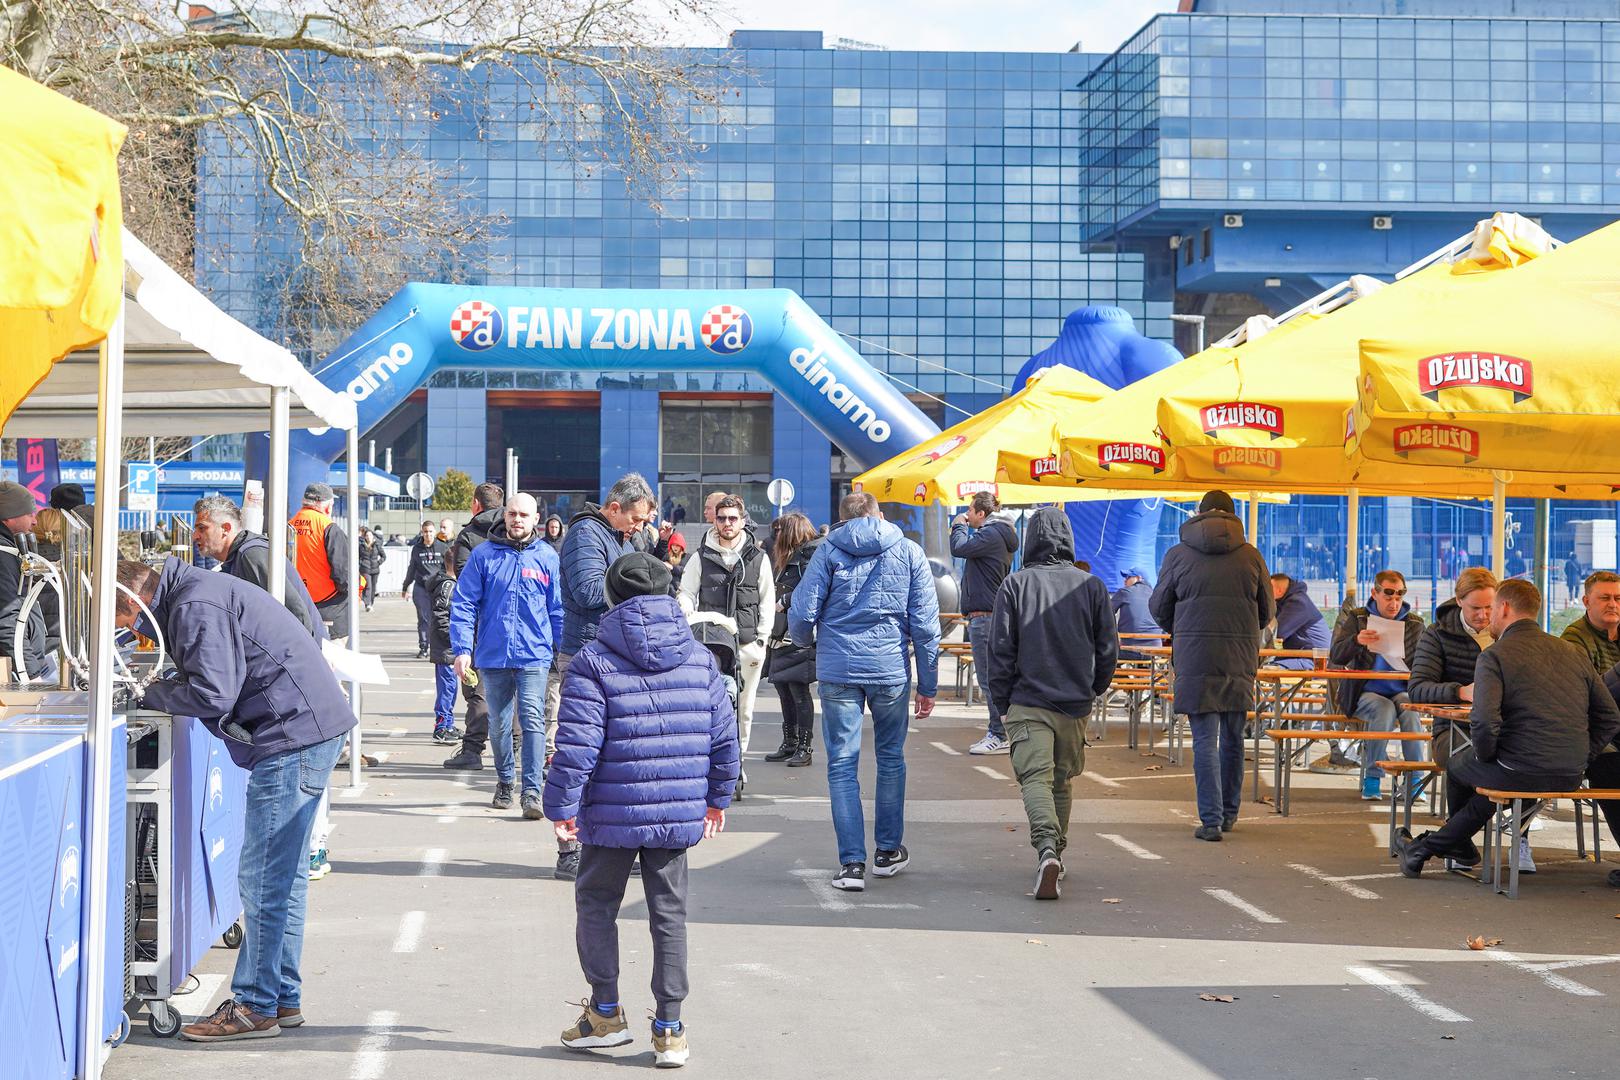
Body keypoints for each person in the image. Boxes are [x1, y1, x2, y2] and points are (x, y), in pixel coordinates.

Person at [115, 558, 354, 1042]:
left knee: (264, 878)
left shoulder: (193, 605)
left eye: (124, 620)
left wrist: (151, 693)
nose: (132, 631)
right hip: (305, 728)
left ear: (134, 600)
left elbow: (213, 693)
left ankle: (254, 1007)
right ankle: (280, 998)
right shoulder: (195, 593)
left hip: (293, 735)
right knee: (282, 881)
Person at [544, 552, 737, 1067]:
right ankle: (670, 1028)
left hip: (610, 813)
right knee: (669, 914)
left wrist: (560, 807)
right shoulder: (701, 659)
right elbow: (725, 738)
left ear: (611, 598)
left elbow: (577, 746)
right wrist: (717, 798)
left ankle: (605, 1013)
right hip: (677, 812)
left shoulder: (592, 661)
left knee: (596, 903)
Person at [1398, 579, 1620, 877]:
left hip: (1518, 766)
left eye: (1491, 608)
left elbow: (1485, 721)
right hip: (1570, 773)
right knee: (1492, 785)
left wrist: (1487, 756)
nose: (1486, 616)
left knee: (1460, 766)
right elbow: (1609, 716)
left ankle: (1451, 847)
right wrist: (1585, 756)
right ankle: (1425, 849)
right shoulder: (1571, 651)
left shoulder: (1496, 655)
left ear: (1503, 607)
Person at [788, 491, 940, 892]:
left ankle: (851, 864)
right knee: (890, 758)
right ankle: (888, 852)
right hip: (890, 669)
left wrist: (806, 642)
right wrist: (928, 683)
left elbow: (803, 613)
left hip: (838, 668)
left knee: (841, 764)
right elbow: (926, 626)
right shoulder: (909, 552)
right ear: (880, 514)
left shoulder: (827, 551)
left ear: (841, 518)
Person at [986, 507, 1117, 899]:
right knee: (1061, 781)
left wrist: (1001, 700)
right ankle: (1056, 854)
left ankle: (1046, 849)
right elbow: (1108, 647)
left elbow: (1000, 650)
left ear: (1030, 540)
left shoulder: (1014, 585)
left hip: (1027, 700)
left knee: (1034, 779)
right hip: (1074, 702)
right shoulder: (1091, 586)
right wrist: (1093, 687)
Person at [1150, 490, 1273, 842]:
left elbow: (1159, 606)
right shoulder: (1251, 556)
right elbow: (1266, 611)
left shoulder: (1178, 554)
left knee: (1204, 739)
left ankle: (1211, 821)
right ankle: (1231, 814)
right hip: (1238, 654)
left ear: (1199, 514)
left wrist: (1183, 626)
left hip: (1195, 654)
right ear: (1234, 516)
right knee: (1234, 737)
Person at [550, 475, 657, 822]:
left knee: (617, 756)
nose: (639, 527)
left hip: (614, 654)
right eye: (636, 519)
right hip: (586, 655)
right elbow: (590, 592)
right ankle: (572, 848)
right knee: (582, 755)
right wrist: (641, 594)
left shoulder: (621, 538)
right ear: (614, 508)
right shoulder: (586, 534)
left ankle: (610, 842)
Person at [450, 493, 564, 823]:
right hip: (493, 654)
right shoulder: (484, 555)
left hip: (534, 654)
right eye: (512, 513)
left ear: (535, 519)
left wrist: (563, 651)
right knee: (498, 726)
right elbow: (464, 603)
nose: (517, 519)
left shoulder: (546, 557)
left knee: (531, 719)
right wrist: (462, 650)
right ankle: (504, 781)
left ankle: (531, 791)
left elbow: (556, 608)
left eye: (524, 515)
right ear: (505, 515)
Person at [678, 494, 774, 765]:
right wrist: (687, 610)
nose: (727, 523)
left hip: (746, 643)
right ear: (715, 521)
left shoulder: (758, 557)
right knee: (708, 705)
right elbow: (686, 591)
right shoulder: (701, 556)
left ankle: (737, 763)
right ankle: (710, 764)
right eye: (722, 518)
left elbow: (767, 598)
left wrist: (762, 640)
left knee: (744, 709)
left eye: (733, 518)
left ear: (742, 521)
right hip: (711, 643)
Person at [1329, 570, 1425, 801]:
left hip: (1401, 689)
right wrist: (1356, 640)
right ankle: (1372, 777)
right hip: (1363, 691)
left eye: (1399, 595)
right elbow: (1337, 656)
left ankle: (1415, 777)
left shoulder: (1414, 623)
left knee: (1409, 709)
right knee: (1384, 709)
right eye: (1388, 595)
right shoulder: (1358, 618)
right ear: (1375, 592)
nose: (1394, 602)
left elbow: (1424, 663)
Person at [195, 496, 324, 640]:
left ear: (226, 529)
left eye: (202, 528)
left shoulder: (251, 554)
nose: (195, 536)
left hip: (303, 653)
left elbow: (296, 611)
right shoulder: (237, 558)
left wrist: (301, 657)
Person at [950, 491, 1019, 756]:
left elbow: (958, 548)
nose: (967, 514)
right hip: (988, 615)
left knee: (990, 679)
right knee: (994, 678)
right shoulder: (998, 535)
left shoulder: (990, 535)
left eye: (970, 510)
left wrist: (958, 525)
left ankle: (998, 734)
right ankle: (1001, 731)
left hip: (985, 617)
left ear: (981, 513)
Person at [1408, 568, 1498, 768]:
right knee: (1473, 759)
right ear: (1458, 601)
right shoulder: (1437, 634)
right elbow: (1417, 689)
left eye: (1489, 607)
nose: (1483, 615)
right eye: (1475, 608)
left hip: (1503, 728)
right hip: (1451, 730)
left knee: (1527, 756)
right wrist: (1460, 691)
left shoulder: (1508, 631)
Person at [442, 483, 503, 770]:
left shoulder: (469, 535)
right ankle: (513, 747)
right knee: (513, 684)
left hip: (479, 621)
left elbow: (465, 579)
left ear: (476, 504)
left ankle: (472, 750)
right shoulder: (515, 530)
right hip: (511, 621)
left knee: (476, 687)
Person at [765, 512, 820, 767]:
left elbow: (810, 593)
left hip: (797, 634)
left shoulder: (807, 558)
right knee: (784, 688)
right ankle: (790, 742)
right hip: (782, 633)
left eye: (780, 530)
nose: (776, 535)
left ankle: (804, 747)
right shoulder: (793, 558)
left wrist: (785, 602)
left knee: (798, 690)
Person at [0, 480, 55, 684]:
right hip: (15, 672)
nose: (34, 521)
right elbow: (7, 621)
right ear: (9, 516)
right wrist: (31, 674)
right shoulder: (3, 557)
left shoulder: (8, 551)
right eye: (30, 514)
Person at [289, 482, 353, 642]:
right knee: (333, 660)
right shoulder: (328, 527)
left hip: (297, 602)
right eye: (332, 504)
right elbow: (343, 573)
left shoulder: (289, 525)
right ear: (325, 506)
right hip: (330, 606)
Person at [428, 545, 463, 745]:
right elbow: (441, 614)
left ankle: (448, 723)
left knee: (451, 686)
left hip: (447, 646)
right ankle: (441, 727)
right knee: (447, 687)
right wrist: (452, 638)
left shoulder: (449, 583)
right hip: (446, 646)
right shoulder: (448, 585)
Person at [402, 519, 448, 659]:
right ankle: (423, 647)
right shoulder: (417, 549)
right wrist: (405, 586)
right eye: (425, 532)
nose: (428, 535)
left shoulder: (442, 547)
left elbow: (447, 567)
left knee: (437, 618)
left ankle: (437, 646)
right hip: (421, 588)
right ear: (422, 533)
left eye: (430, 532)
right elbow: (412, 568)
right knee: (423, 619)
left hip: (438, 588)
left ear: (435, 532)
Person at [1561, 570, 1620, 673]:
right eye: (1605, 598)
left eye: (1618, 598)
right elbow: (1584, 687)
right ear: (1586, 602)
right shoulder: (1574, 638)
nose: (1612, 604)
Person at [1111, 567, 1162, 660]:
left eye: (1128, 577)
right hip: (1156, 651)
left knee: (1104, 655)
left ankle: (1123, 675)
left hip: (1129, 650)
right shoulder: (1156, 594)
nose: (1125, 580)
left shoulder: (1125, 592)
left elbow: (1106, 613)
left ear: (1139, 578)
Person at [357, 526, 384, 612]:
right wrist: (360, 564)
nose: (368, 537)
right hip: (365, 569)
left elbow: (384, 556)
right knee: (368, 586)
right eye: (367, 535)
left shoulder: (377, 545)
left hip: (375, 569)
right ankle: (367, 604)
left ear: (373, 536)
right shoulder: (361, 546)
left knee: (373, 587)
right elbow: (357, 557)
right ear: (365, 537)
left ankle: (371, 603)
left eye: (370, 535)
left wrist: (378, 563)